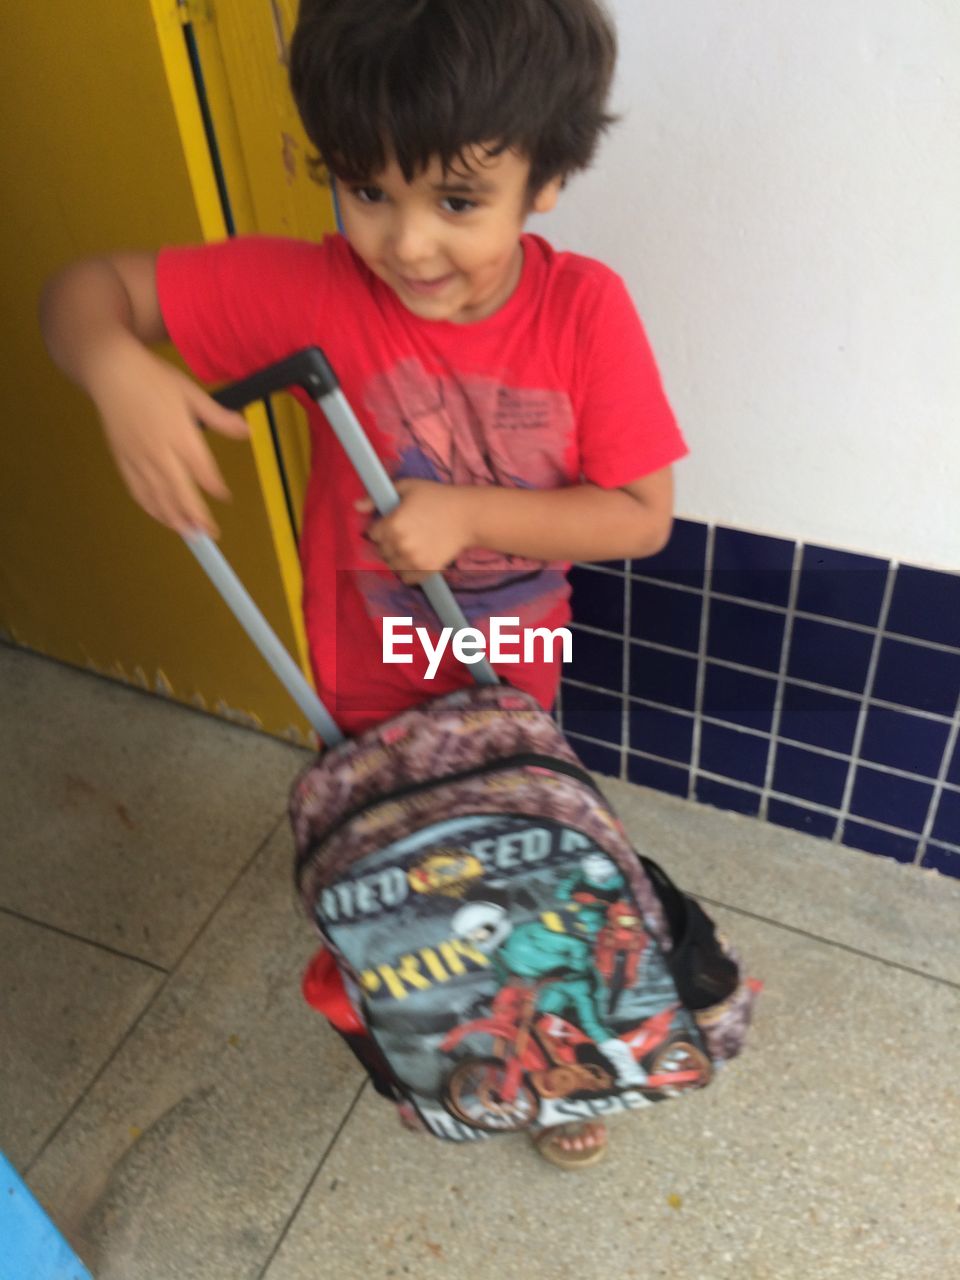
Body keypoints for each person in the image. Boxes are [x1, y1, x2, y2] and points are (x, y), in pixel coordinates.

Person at [40, 0, 687, 1167]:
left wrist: (470, 516)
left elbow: (642, 515)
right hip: (362, 685)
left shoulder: (585, 311)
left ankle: (566, 1062)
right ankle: (438, 1037)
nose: (405, 243)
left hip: (505, 685)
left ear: (547, 178)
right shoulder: (313, 290)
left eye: (455, 200)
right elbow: (89, 290)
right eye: (364, 190)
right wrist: (113, 366)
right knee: (400, 883)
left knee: (529, 868)